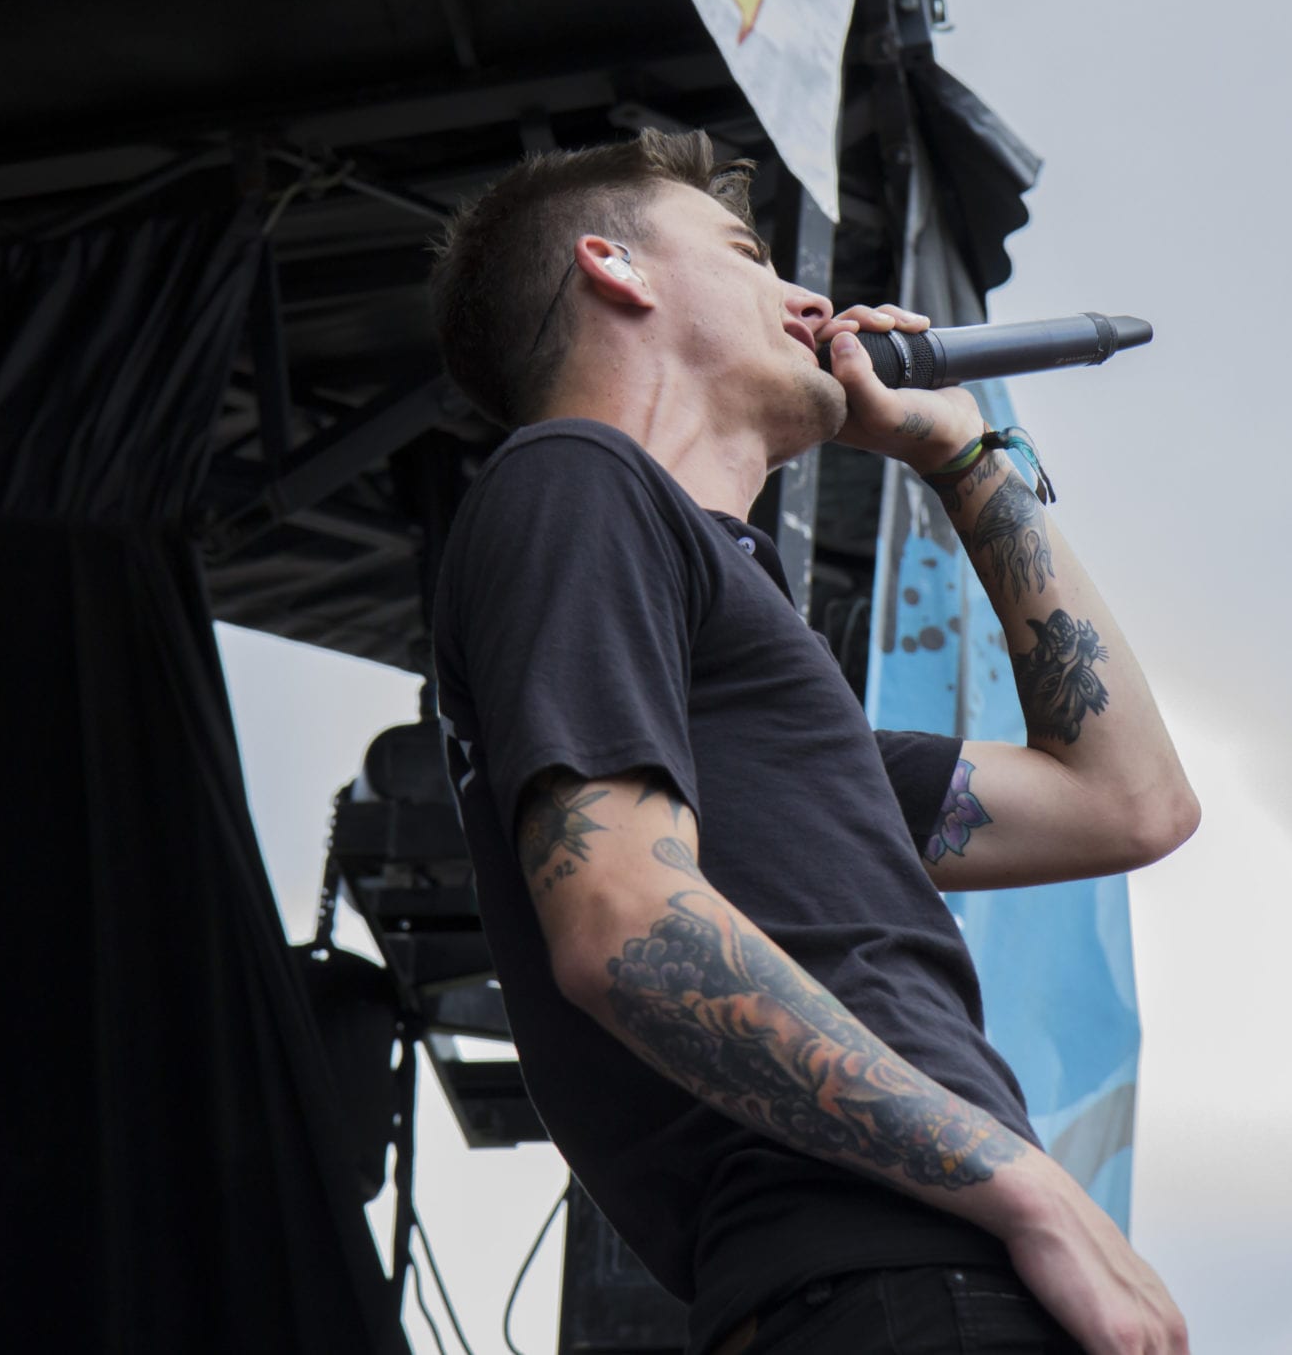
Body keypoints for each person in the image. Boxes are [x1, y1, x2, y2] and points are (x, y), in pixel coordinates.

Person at [427, 129, 1198, 1355]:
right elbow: (623, 920)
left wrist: (966, 457)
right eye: (747, 254)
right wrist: (1024, 1188)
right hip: (888, 1278)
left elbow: (1130, 802)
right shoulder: (575, 476)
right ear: (615, 267)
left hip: (916, 1277)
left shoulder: (758, 721)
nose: (807, 301)